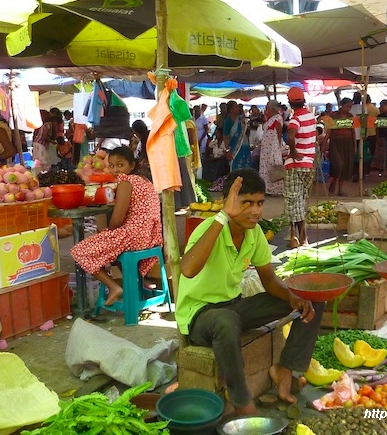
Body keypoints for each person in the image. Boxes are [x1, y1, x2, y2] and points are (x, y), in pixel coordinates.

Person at [176, 169, 324, 415]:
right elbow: (188, 269)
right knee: (225, 320)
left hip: (234, 307)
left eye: (259, 203)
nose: (255, 211)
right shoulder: (209, 229)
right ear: (229, 203)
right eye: (246, 203)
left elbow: (269, 279)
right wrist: (223, 215)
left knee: (312, 298)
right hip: (200, 317)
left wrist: (292, 297)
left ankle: (286, 368)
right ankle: (241, 401)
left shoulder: (254, 234)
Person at [70, 146, 162, 306]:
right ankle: (135, 284)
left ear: (132, 165)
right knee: (105, 247)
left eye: (120, 165)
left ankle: (113, 286)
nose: (115, 170)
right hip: (151, 237)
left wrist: (107, 231)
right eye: (112, 166)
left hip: (135, 237)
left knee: (79, 251)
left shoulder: (126, 182)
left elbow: (117, 219)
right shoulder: (144, 180)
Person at [284, 87, 316, 247]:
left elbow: (290, 135)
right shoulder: (311, 116)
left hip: (295, 164)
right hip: (309, 164)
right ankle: (303, 237)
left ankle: (295, 237)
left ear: (290, 102)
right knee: (301, 200)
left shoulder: (295, 119)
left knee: (292, 200)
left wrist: (293, 151)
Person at [325, 97, 356, 196]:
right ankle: (334, 179)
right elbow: (329, 131)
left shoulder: (350, 116)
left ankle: (340, 190)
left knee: (346, 167)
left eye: (350, 107)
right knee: (338, 164)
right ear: (342, 105)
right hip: (335, 143)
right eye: (347, 106)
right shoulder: (334, 116)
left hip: (348, 143)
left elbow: (353, 132)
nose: (348, 109)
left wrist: (355, 146)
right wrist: (324, 143)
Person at [259, 100, 285, 196]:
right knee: (265, 167)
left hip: (272, 147)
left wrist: (278, 147)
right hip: (266, 147)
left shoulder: (277, 118)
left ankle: (275, 189)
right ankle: (267, 188)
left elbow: (278, 134)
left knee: (272, 166)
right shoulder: (270, 118)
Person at [224, 100, 253, 171]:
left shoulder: (241, 119)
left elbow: (246, 132)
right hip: (235, 148)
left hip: (245, 146)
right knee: (236, 167)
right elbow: (225, 136)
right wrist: (228, 151)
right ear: (231, 110)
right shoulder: (228, 121)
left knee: (246, 165)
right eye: (236, 107)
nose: (238, 108)